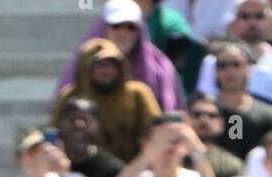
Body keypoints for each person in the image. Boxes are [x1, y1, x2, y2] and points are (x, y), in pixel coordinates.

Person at [54, 0, 184, 112]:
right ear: (103, 28)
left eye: (130, 27)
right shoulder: (83, 64)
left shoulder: (160, 69)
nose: (123, 33)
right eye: (116, 26)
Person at [52, 38, 161, 163]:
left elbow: (155, 133)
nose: (106, 70)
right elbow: (56, 132)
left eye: (112, 64)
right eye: (99, 65)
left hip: (131, 171)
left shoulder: (138, 94)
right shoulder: (71, 96)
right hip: (82, 169)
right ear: (84, 68)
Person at [196, 0, 272, 102]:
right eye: (244, 16)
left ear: (270, 21)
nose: (252, 22)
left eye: (259, 16)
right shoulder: (212, 63)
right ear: (232, 21)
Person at [204, 40, 272, 161]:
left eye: (236, 64)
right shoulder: (203, 113)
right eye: (222, 65)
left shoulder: (269, 115)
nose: (230, 71)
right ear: (215, 71)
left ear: (248, 68)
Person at [56, 101, 125, 177]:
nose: (79, 124)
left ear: (98, 126)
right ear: (60, 124)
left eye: (86, 120)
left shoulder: (114, 170)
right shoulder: (48, 167)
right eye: (72, 119)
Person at [184, 93, 246, 177]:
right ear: (186, 119)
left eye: (211, 115)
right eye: (197, 114)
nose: (204, 120)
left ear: (221, 124)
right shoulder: (172, 157)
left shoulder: (231, 165)